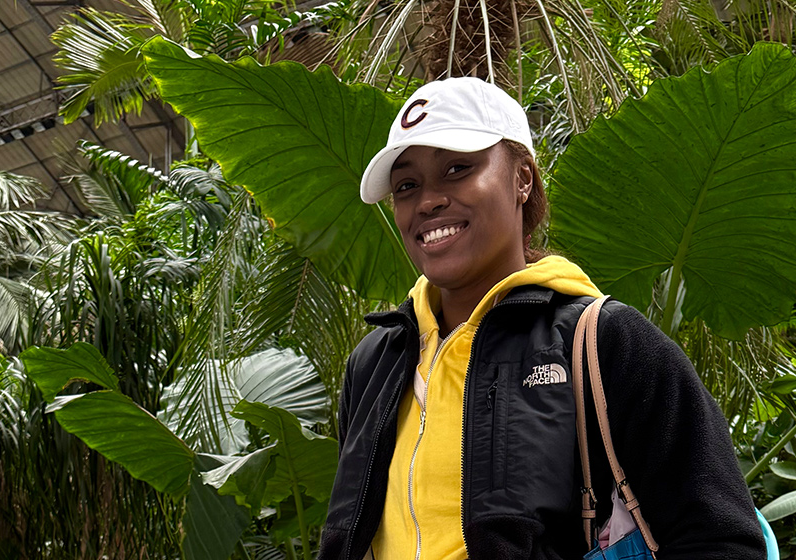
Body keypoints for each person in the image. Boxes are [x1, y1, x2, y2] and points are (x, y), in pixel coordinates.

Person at [317, 77, 766, 560]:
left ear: (522, 179)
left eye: (456, 169)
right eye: (407, 185)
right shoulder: (374, 365)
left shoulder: (604, 342)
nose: (427, 201)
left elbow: (721, 540)